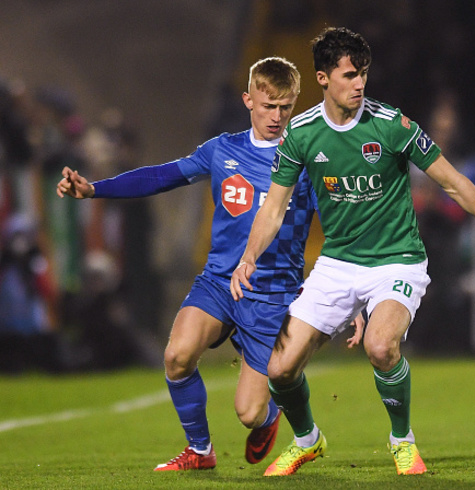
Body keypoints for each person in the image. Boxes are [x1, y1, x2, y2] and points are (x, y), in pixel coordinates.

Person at [231, 27, 475, 477]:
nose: (360, 83)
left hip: (397, 259)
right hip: (337, 264)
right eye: (349, 75)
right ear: (323, 79)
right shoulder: (302, 134)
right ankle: (308, 441)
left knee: (380, 345)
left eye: (363, 73)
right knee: (280, 370)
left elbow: (452, 182)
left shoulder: (391, 125)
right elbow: (273, 207)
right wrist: (248, 257)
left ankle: (401, 440)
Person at [56, 57, 362, 471]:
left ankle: (273, 415)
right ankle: (200, 451)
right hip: (219, 282)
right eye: (268, 105)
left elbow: (342, 227)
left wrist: (355, 296)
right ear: (248, 99)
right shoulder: (222, 150)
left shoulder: (308, 161)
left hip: (272, 296)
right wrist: (94, 189)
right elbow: (162, 176)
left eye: (285, 107)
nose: (276, 116)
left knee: (249, 414)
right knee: (177, 356)